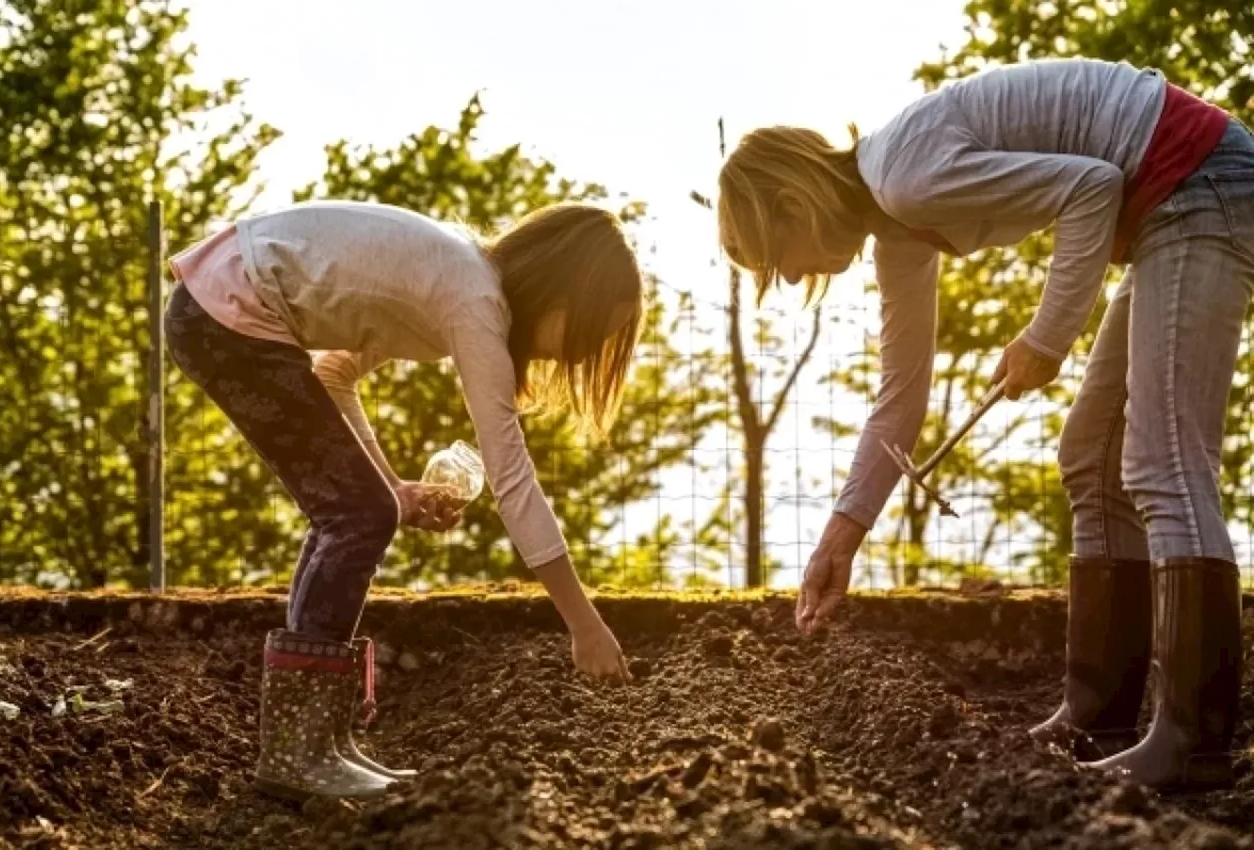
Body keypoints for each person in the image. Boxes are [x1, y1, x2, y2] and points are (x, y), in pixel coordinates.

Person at [716, 57, 1251, 791]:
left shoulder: (905, 175)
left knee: (1161, 459)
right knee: (1090, 453)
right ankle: (1099, 718)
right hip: (1168, 202)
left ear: (790, 204)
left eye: (784, 260)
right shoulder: (899, 230)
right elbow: (900, 396)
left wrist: (1045, 339)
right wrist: (842, 536)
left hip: (1201, 180)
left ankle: (1194, 741)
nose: (802, 277)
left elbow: (1090, 187)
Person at [165, 200, 642, 801]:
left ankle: (319, 744)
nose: (579, 354)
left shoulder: (454, 278)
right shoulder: (475, 298)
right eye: (592, 330)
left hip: (224, 307)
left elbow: (335, 372)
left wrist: (391, 488)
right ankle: (298, 751)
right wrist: (584, 623)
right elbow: (511, 473)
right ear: (559, 293)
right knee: (356, 515)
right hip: (229, 314)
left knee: (362, 509)